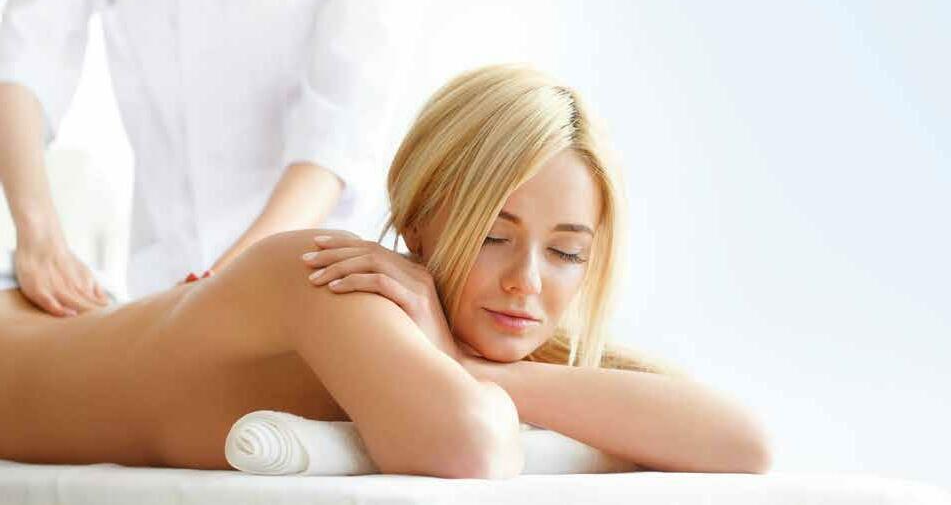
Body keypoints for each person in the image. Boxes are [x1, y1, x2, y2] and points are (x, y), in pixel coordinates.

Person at [0, 64, 772, 479]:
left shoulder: (467, 339)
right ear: (418, 221)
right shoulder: (327, 274)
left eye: (566, 252)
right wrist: (460, 368)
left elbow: (742, 442)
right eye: (493, 235)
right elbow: (470, 448)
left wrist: (465, 362)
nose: (527, 281)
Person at [0, 0, 430, 313]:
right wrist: (39, 237)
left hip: (313, 274)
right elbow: (23, 60)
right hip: (160, 280)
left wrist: (215, 291)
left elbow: (334, 139)